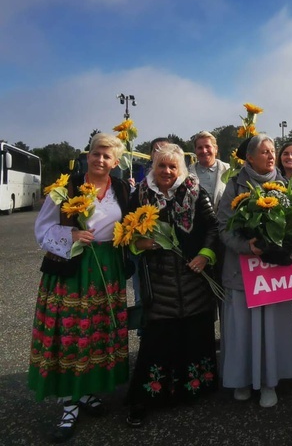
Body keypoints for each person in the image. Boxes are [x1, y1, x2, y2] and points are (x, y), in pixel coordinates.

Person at [30, 133, 132, 443]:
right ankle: (69, 402)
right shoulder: (66, 187)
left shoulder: (122, 189)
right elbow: (42, 229)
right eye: (96, 153)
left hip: (107, 265)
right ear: (87, 156)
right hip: (72, 267)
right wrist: (69, 236)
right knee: (72, 330)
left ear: (116, 163)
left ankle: (86, 391)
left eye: (107, 156)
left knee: (98, 330)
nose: (101, 160)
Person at [125, 144, 220, 426]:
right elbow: (126, 231)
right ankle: (145, 398)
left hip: (194, 280)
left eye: (172, 166)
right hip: (160, 282)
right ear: (153, 167)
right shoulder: (141, 195)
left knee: (194, 337)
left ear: (180, 169)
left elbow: (213, 227)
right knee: (157, 342)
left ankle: (193, 390)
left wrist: (205, 255)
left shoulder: (193, 190)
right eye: (161, 166)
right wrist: (139, 243)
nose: (167, 171)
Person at [217, 134, 292, 406]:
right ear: (249, 158)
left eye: (272, 150)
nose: (271, 155)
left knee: (273, 328)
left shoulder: (286, 185)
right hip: (242, 271)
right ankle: (241, 380)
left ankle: (269, 383)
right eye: (264, 152)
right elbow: (223, 228)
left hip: (275, 274)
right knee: (242, 328)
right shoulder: (234, 186)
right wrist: (246, 246)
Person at [188, 131, 230, 212]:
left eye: (208, 146)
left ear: (216, 149)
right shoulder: (187, 174)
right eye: (200, 148)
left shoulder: (229, 170)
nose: (204, 151)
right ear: (195, 151)